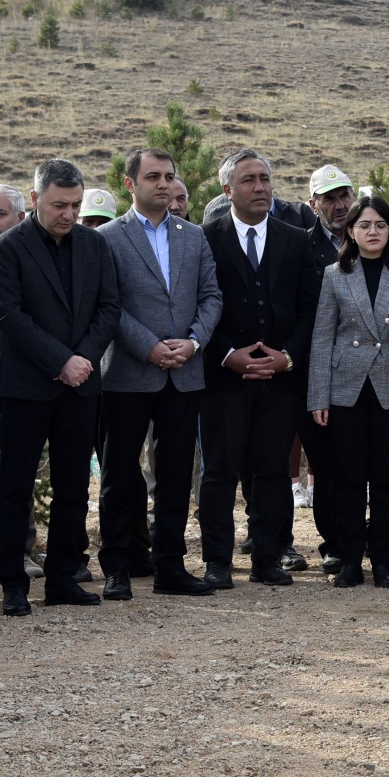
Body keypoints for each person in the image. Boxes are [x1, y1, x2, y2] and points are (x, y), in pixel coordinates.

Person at [0, 159, 122, 615]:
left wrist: (82, 359)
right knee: (15, 487)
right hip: (27, 388)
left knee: (73, 486)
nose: (69, 214)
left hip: (80, 386)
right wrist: (61, 361)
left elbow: (109, 307)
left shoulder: (94, 244)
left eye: (76, 205)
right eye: (59, 205)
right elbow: (9, 315)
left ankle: (63, 577)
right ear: (35, 199)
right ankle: (13, 583)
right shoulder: (9, 247)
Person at [98, 147, 221, 599]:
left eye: (169, 176)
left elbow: (212, 296)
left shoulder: (194, 236)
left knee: (174, 475)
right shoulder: (108, 237)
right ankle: (117, 567)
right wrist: (147, 346)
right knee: (119, 476)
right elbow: (108, 304)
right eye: (153, 176)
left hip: (184, 372)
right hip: (129, 373)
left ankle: (170, 566)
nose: (164, 184)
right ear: (130, 183)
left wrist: (193, 341)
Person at [199, 149, 320, 588]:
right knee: (219, 471)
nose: (260, 187)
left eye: (265, 178)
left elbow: (310, 309)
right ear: (228, 189)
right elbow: (198, 305)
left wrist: (286, 357)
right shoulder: (205, 239)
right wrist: (226, 354)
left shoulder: (297, 239)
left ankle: (267, 558)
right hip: (223, 380)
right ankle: (217, 561)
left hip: (280, 380)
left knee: (272, 471)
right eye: (249, 180)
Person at [307, 194, 389, 588]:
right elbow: (323, 338)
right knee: (347, 477)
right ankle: (349, 560)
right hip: (346, 390)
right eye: (364, 225)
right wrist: (318, 396)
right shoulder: (335, 274)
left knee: (388, 478)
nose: (373, 231)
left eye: (380, 225)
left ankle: (381, 558)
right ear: (351, 231)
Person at [299, 165, 356, 571]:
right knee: (325, 461)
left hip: (367, 374)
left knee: (363, 461)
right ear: (313, 204)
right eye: (330, 198)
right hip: (316, 372)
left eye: (344, 195)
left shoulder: (373, 238)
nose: (339, 205)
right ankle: (334, 542)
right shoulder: (300, 247)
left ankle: (364, 536)